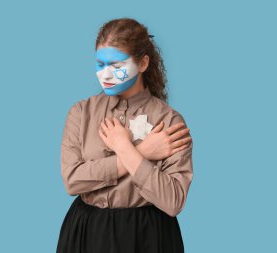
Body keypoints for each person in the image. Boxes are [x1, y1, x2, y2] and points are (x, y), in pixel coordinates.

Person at [56, 17, 194, 253]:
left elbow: (172, 201)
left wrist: (125, 149)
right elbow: (73, 180)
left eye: (117, 66)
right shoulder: (80, 113)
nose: (105, 75)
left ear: (142, 64)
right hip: (87, 232)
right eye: (100, 64)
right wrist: (139, 152)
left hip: (149, 235)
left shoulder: (169, 122)